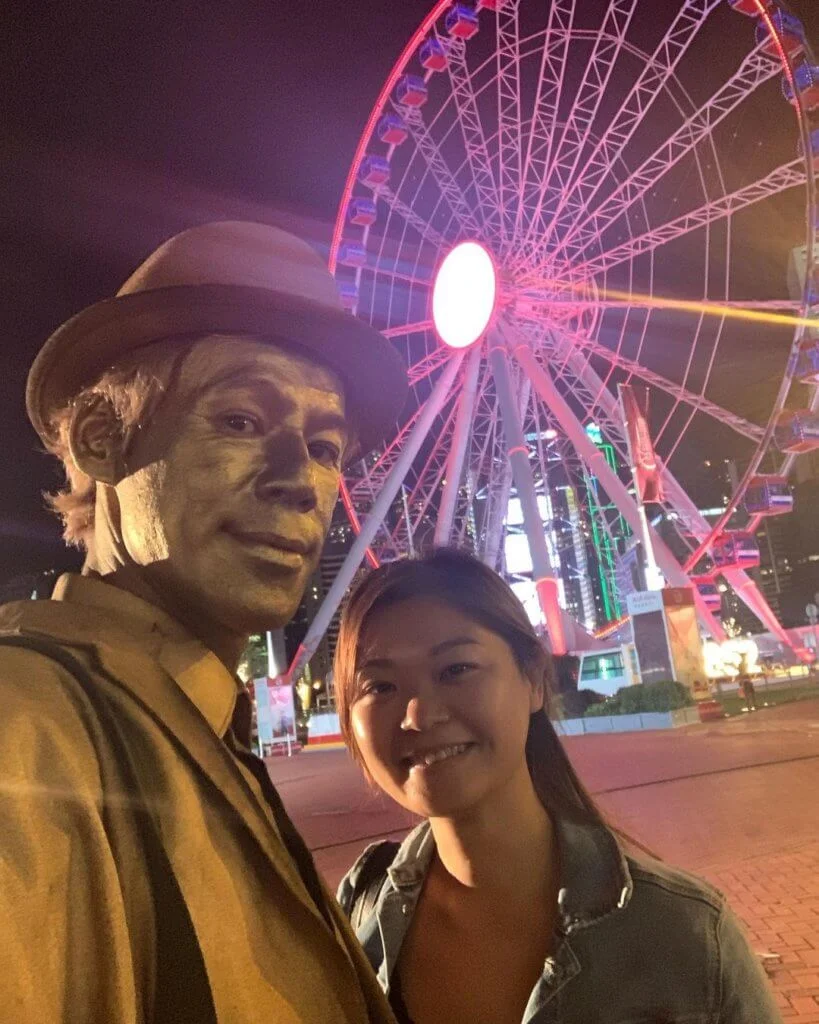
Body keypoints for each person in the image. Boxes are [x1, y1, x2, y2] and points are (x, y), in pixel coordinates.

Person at [0, 221, 407, 1023]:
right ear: (102, 441)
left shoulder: (198, 724)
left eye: (324, 447)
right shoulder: (25, 727)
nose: (301, 481)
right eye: (241, 421)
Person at [334, 549, 782, 1024]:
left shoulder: (687, 937)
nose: (419, 715)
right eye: (379, 687)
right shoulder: (356, 920)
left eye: (455, 670)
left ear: (534, 679)